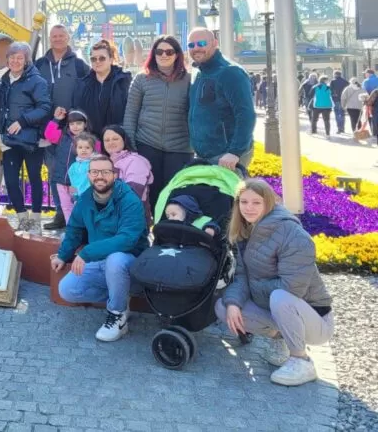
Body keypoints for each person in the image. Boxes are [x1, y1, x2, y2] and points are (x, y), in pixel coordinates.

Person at [215, 179, 333, 386]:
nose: (249, 208)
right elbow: (242, 276)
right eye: (244, 202)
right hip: (277, 306)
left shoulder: (292, 234)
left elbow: (293, 287)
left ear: (268, 203)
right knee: (224, 307)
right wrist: (234, 302)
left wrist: (253, 290)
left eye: (256, 202)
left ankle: (301, 360)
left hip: (315, 320)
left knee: (280, 297)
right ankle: (281, 340)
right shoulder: (245, 229)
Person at [51, 154, 149, 342]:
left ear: (114, 175)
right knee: (67, 290)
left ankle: (117, 314)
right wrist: (63, 255)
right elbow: (75, 229)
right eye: (95, 172)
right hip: (100, 261)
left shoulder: (129, 199)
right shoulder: (85, 199)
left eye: (105, 172)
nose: (100, 176)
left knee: (116, 259)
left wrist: (87, 253)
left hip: (130, 263)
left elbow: (127, 240)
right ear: (89, 175)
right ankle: (120, 296)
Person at [122, 35, 193, 209]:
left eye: (169, 51)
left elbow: (195, 114)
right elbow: (130, 114)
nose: (164, 55)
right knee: (150, 194)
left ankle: (170, 226)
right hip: (147, 144)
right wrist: (131, 146)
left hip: (179, 148)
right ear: (153, 54)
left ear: (177, 54)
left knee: (175, 194)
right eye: (159, 51)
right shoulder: (141, 79)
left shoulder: (189, 80)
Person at [0, 42, 51, 234]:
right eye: (12, 57)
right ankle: (22, 218)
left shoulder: (37, 81)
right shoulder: (4, 80)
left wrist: (23, 121)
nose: (15, 61)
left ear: (27, 60)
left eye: (20, 58)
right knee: (11, 180)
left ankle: (35, 219)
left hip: (31, 140)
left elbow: (44, 107)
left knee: (34, 178)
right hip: (9, 140)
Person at [186, 28, 256, 171]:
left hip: (226, 157)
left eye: (201, 43)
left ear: (215, 43)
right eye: (191, 45)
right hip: (204, 156)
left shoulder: (230, 72)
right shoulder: (197, 72)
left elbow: (246, 114)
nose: (196, 48)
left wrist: (234, 152)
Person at [70, 40, 132, 139]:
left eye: (102, 58)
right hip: (91, 141)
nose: (97, 61)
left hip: (116, 139)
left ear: (111, 59)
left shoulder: (124, 81)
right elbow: (77, 113)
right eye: (93, 59)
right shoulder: (82, 84)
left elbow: (132, 113)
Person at [42, 110, 91, 230]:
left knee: (79, 206)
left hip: (78, 182)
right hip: (61, 179)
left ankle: (83, 229)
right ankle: (70, 229)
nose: (75, 126)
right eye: (72, 124)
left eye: (78, 123)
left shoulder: (90, 140)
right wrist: (56, 119)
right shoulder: (62, 136)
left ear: (85, 124)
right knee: (65, 207)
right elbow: (49, 134)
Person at [35, 24, 89, 125]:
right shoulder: (39, 64)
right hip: (41, 123)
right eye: (54, 36)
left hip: (70, 125)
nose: (58, 39)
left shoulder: (79, 65)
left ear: (68, 38)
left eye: (61, 36)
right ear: (50, 39)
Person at [101, 125, 153, 206]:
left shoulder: (135, 161)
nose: (111, 143)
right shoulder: (103, 162)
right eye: (107, 140)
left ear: (124, 140)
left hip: (131, 210)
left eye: (115, 139)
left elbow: (134, 192)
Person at [67, 133, 98, 204]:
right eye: (80, 147)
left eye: (87, 148)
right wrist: (74, 196)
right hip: (78, 198)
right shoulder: (73, 166)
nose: (83, 150)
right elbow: (72, 182)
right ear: (76, 149)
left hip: (92, 197)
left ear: (93, 149)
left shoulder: (94, 164)